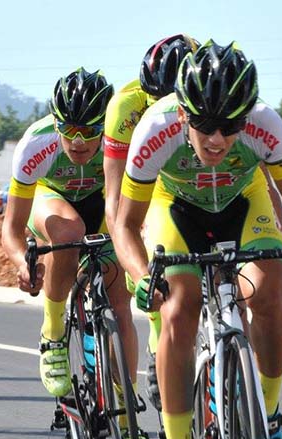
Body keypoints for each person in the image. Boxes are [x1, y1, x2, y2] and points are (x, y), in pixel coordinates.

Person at [113, 41, 282, 439]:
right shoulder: (155, 129)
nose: (217, 139)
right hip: (177, 209)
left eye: (230, 127)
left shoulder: (267, 125)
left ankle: (268, 419)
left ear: (246, 116)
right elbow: (124, 225)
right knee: (179, 305)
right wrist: (141, 273)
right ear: (183, 114)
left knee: (270, 291)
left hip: (244, 203)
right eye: (205, 126)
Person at [1, 68, 158, 439]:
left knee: (120, 304)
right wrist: (23, 261)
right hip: (51, 202)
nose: (78, 141)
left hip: (103, 207)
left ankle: (127, 421)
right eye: (69, 130)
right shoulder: (38, 144)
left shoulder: (121, 137)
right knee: (67, 232)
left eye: (90, 131)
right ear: (56, 123)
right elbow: (11, 228)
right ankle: (53, 333)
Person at [103, 34, 200, 411]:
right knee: (154, 278)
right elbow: (115, 201)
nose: (162, 109)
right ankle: (160, 342)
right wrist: (136, 262)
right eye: (153, 99)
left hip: (193, 180)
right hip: (145, 185)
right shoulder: (125, 109)